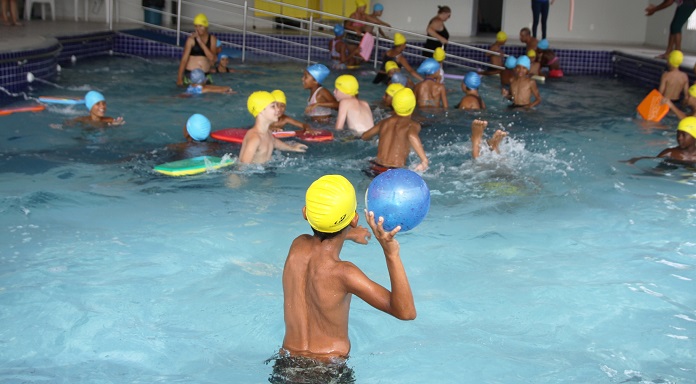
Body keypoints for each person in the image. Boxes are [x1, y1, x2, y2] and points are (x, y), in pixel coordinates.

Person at [272, 173, 415, 382]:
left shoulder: (296, 247)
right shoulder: (345, 274)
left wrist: (348, 233)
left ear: (305, 213)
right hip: (328, 371)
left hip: (286, 366)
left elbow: (320, 239)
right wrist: (390, 252)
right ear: (355, 219)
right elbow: (406, 312)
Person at [361, 88, 429, 175]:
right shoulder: (412, 125)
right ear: (413, 106)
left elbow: (364, 136)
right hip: (394, 172)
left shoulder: (384, 122)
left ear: (393, 104)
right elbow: (412, 136)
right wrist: (424, 160)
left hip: (376, 168)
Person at [238, 91, 308, 164]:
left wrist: (292, 148)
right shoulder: (255, 138)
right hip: (255, 173)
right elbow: (242, 167)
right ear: (261, 110)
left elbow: (274, 142)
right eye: (273, 106)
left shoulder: (267, 132)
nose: (278, 109)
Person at [627, 116, 696, 164]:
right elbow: (654, 163)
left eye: (684, 135)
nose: (679, 138)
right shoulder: (670, 153)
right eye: (678, 134)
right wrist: (636, 159)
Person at [177, 14, 218, 87]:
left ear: (206, 26)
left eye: (200, 26)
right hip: (191, 75)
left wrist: (200, 42)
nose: (198, 29)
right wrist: (179, 78)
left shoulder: (212, 39)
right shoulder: (191, 40)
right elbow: (184, 60)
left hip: (206, 76)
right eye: (196, 26)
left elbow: (212, 59)